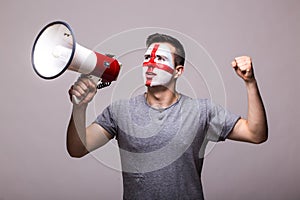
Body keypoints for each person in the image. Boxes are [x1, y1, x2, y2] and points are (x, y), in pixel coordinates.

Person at [67, 33, 268, 200]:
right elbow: (77, 149)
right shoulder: (120, 111)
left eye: (160, 59)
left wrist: (250, 82)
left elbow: (256, 134)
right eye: (147, 58)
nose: (150, 64)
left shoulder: (202, 111)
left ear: (178, 71)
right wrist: (80, 107)